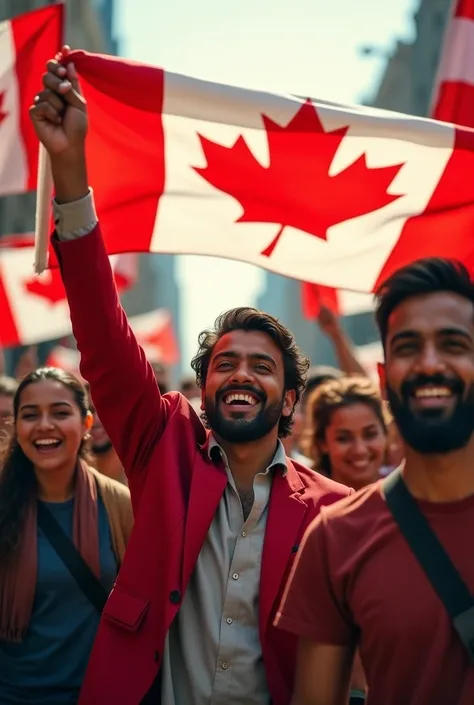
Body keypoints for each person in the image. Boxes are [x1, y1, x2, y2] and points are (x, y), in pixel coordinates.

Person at [30, 51, 352, 705]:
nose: (240, 374)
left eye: (262, 367)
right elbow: (100, 330)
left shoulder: (334, 511)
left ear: (290, 398)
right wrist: (70, 173)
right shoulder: (164, 445)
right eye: (225, 363)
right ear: (203, 390)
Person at [276, 257, 474, 705]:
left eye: (453, 344)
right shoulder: (335, 537)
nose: (429, 363)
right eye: (407, 347)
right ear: (383, 379)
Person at [0, 367, 133, 705]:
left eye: (60, 413)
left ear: (87, 424)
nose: (45, 425)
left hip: (99, 695)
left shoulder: (121, 506)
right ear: (17, 427)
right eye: (30, 415)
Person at [302, 376, 388, 490]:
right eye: (344, 438)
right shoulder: (305, 501)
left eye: (370, 434)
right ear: (322, 443)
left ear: (385, 433)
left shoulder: (410, 492)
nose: (360, 450)